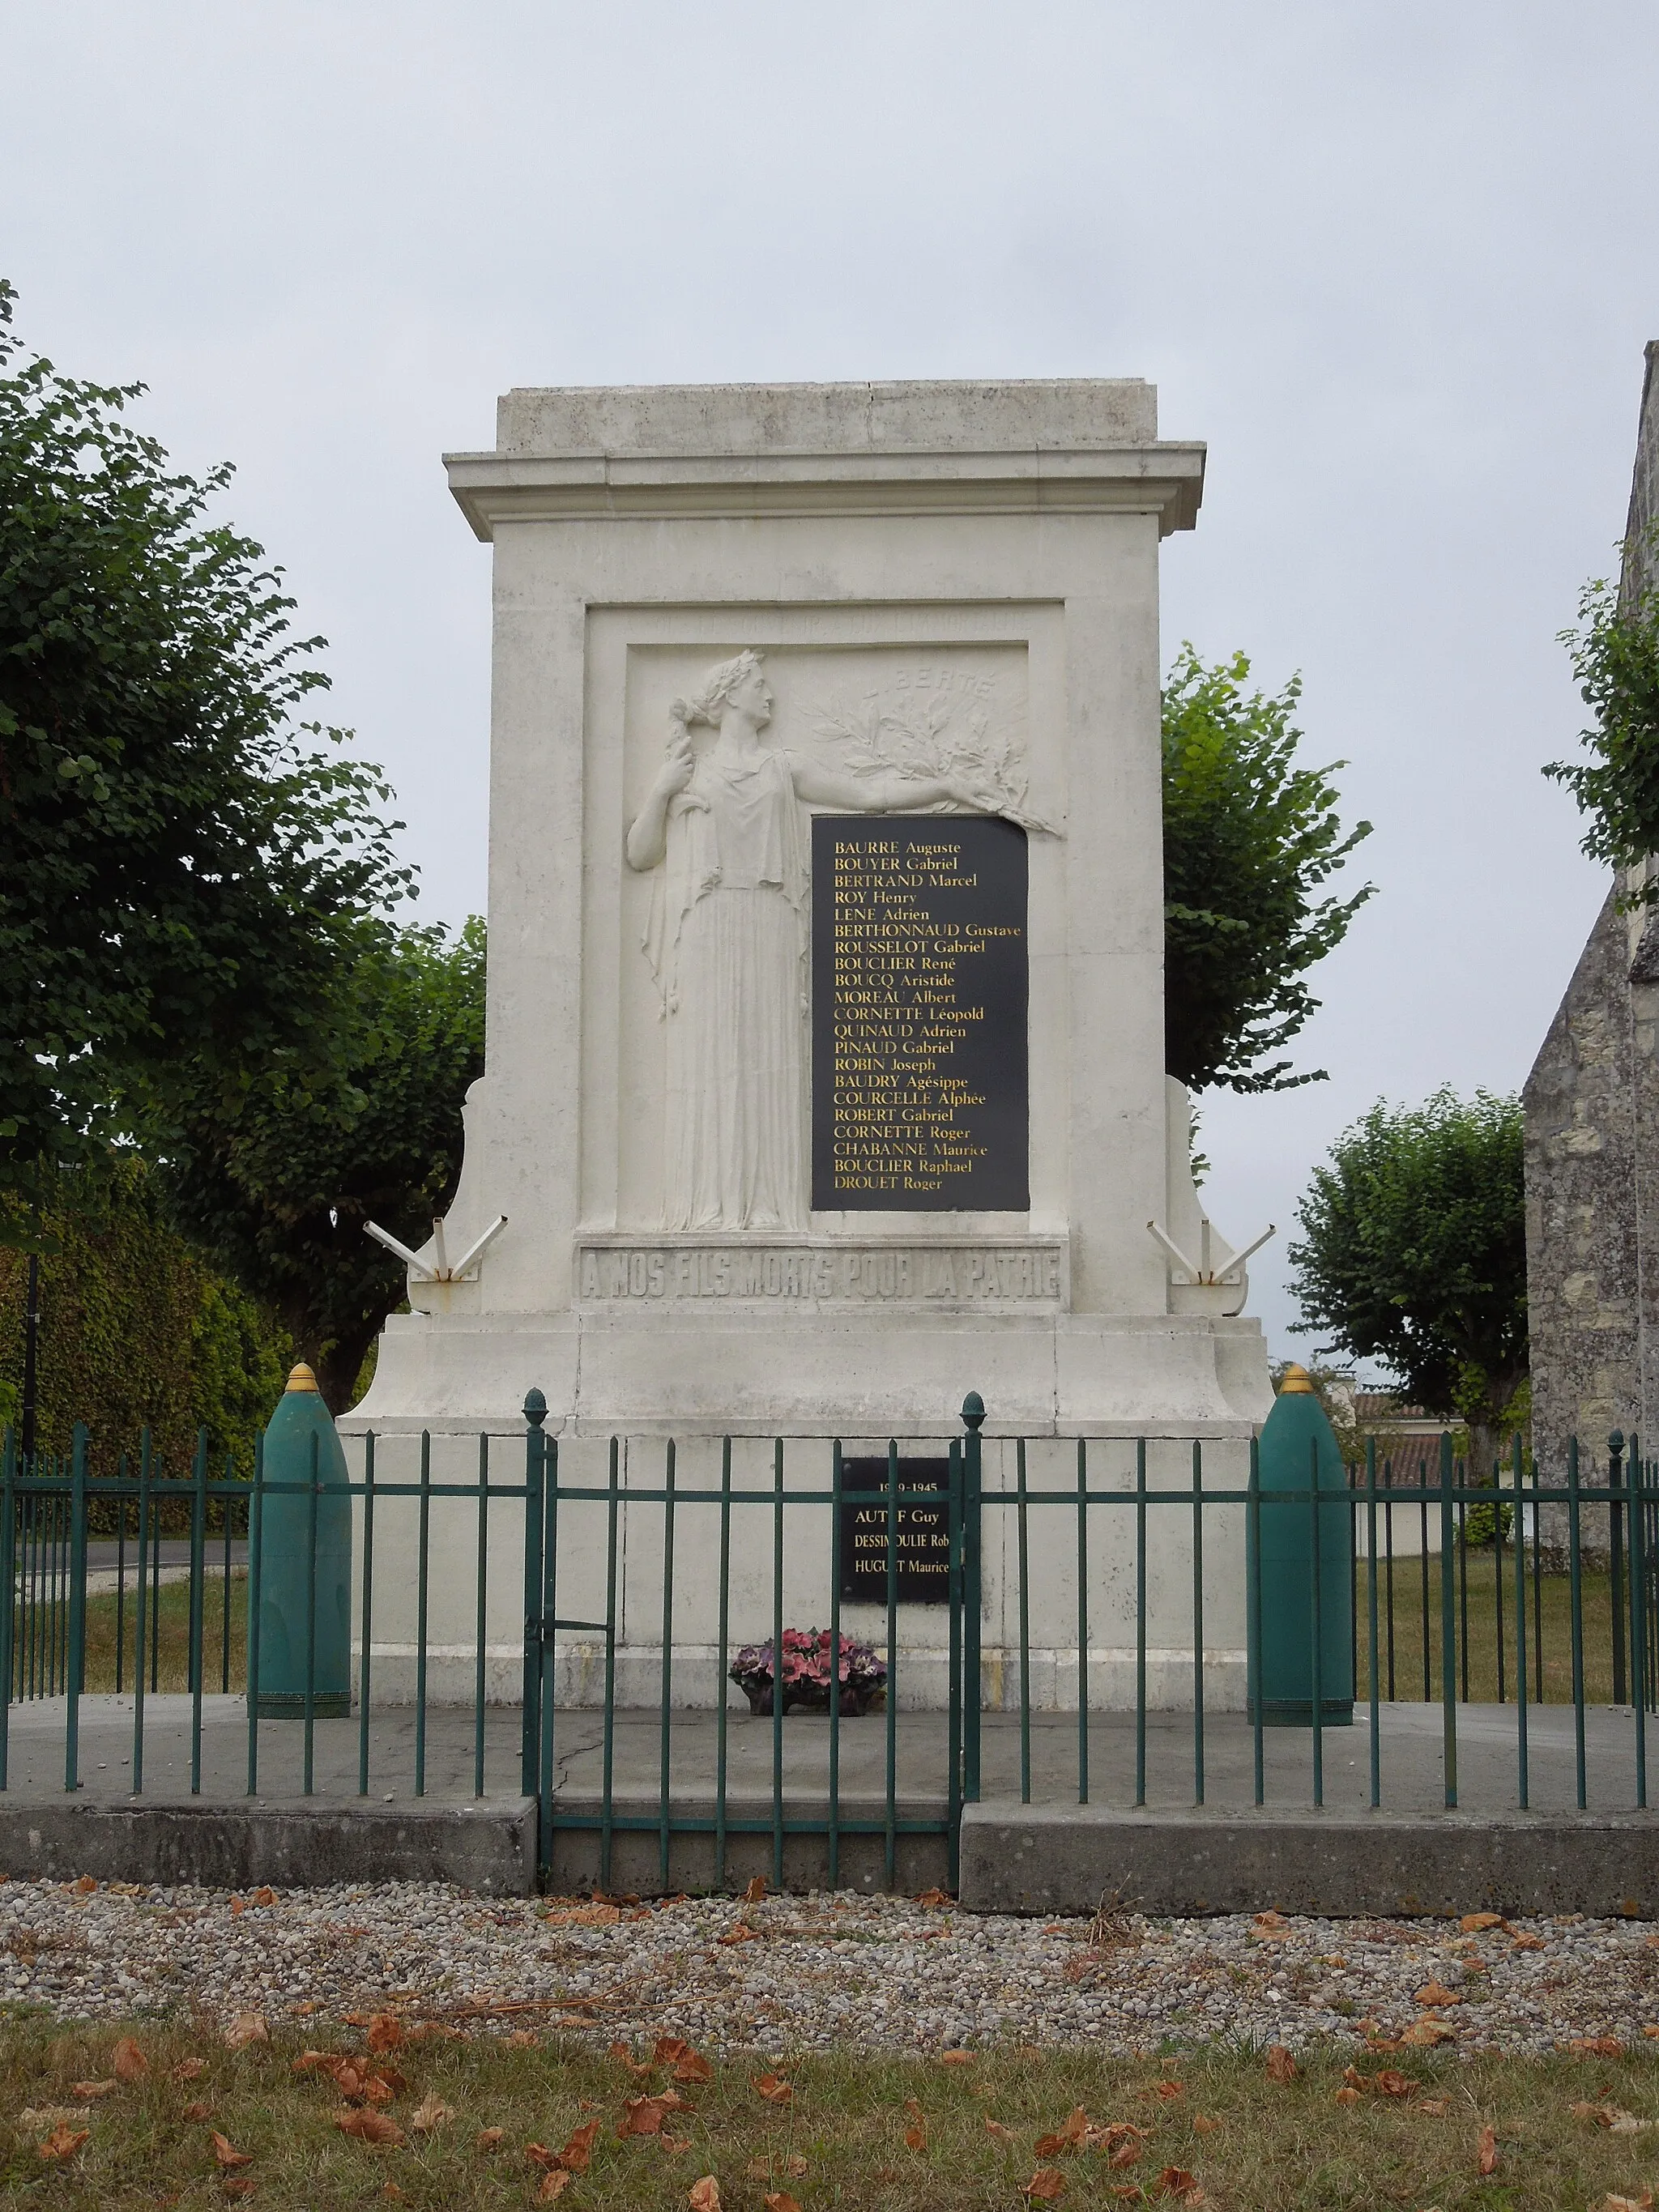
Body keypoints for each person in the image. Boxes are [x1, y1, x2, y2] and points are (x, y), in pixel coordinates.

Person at [626, 650, 978, 1230]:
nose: (771, 695)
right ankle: (707, 1207)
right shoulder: (690, 772)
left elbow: (869, 795)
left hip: (769, 921)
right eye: (761, 685)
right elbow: (641, 854)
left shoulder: (783, 768)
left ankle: (769, 1206)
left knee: (768, 1060)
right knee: (713, 1063)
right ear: (731, 695)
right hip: (710, 928)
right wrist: (662, 791)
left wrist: (948, 784)